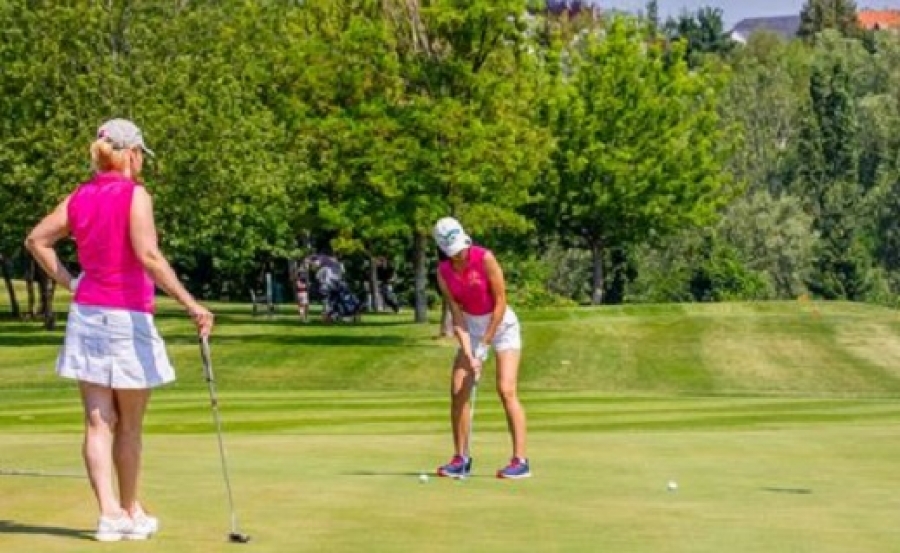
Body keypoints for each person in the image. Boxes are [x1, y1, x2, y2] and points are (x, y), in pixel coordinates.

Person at [25, 118, 214, 541]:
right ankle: (127, 510)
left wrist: (73, 284)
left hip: (88, 316)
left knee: (98, 421)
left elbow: (37, 240)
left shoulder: (79, 196)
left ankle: (113, 514)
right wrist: (191, 304)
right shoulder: (136, 195)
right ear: (131, 154)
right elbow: (149, 255)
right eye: (141, 154)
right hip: (128, 318)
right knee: (128, 424)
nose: (142, 161)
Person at [432, 217, 530, 479]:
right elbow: (457, 315)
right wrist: (469, 352)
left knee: (506, 389)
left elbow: (500, 302)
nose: (460, 254)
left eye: (460, 248)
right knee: (458, 390)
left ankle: (520, 461)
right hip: (471, 329)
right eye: (453, 251)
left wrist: (485, 344)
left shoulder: (485, 258)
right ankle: (461, 458)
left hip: (502, 326)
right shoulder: (443, 273)